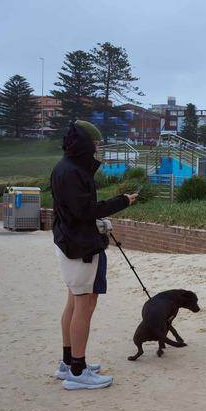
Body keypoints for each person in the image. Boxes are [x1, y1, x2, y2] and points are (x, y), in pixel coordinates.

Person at [51, 120, 138, 390]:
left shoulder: (67, 167)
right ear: (85, 143)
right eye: (96, 143)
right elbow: (85, 211)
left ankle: (69, 363)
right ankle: (77, 370)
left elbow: (77, 211)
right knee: (84, 307)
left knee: (74, 304)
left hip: (71, 243)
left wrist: (98, 223)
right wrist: (122, 201)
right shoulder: (73, 171)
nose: (98, 148)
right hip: (79, 248)